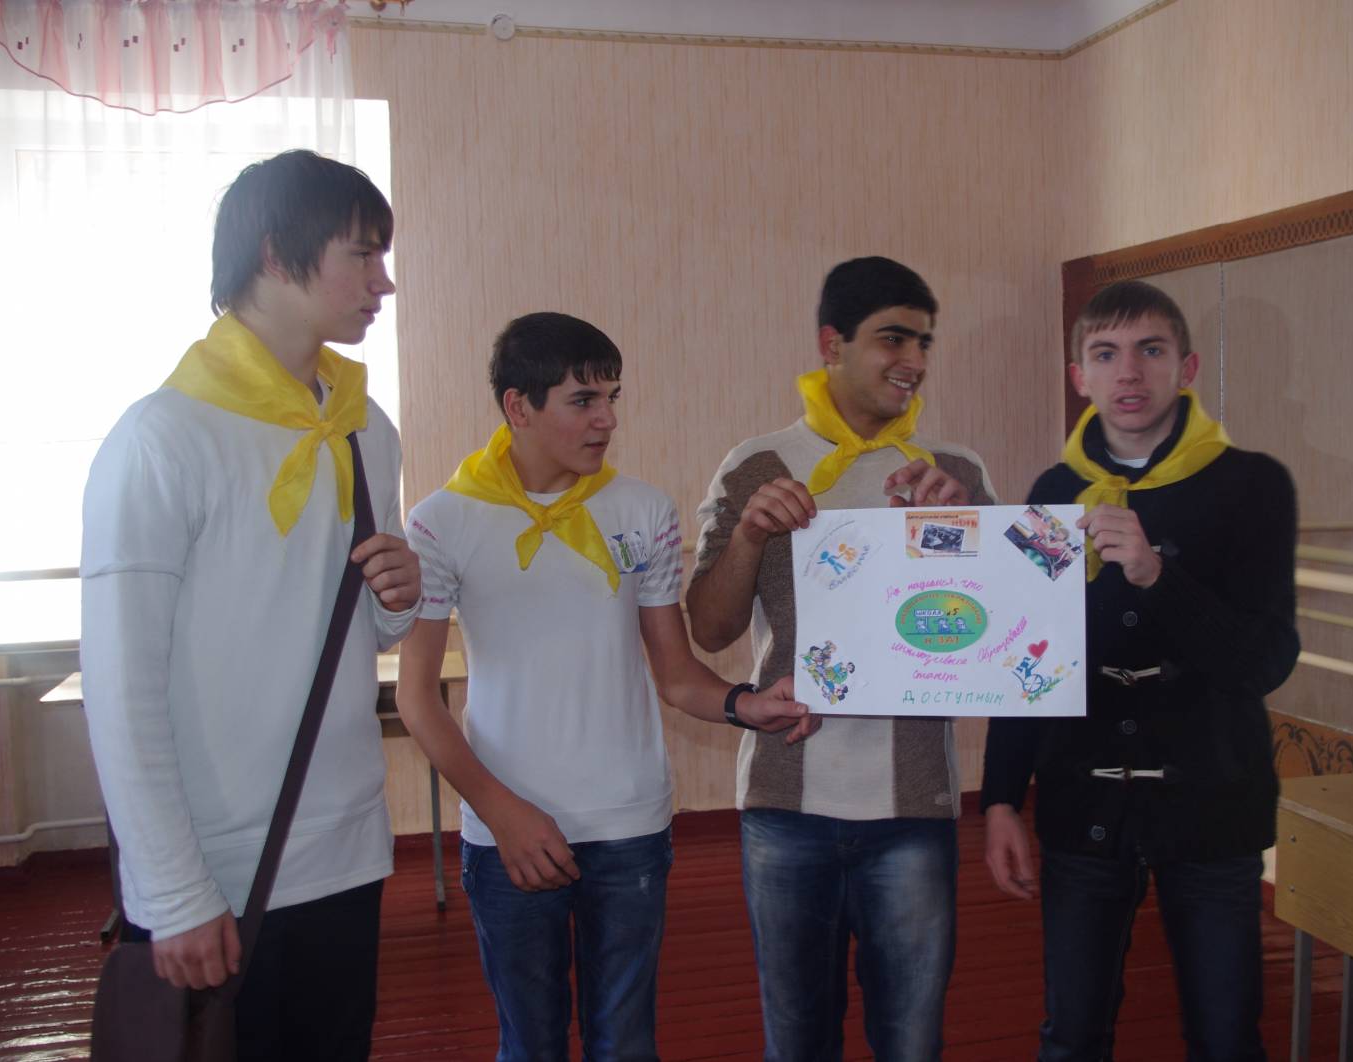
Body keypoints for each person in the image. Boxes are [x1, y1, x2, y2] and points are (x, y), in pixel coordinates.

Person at [397, 311, 815, 1062]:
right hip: (506, 831)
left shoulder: (643, 511)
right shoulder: (441, 522)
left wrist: (744, 704)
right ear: (519, 407)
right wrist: (503, 813)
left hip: (629, 824)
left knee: (625, 1043)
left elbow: (676, 675)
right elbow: (417, 698)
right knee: (531, 1044)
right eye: (584, 400)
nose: (608, 420)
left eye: (612, 398)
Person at [81, 149, 420, 1061]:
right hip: (216, 868)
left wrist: (400, 594)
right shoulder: (162, 438)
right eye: (362, 254)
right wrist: (171, 890)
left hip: (345, 850)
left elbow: (364, 634)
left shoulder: (365, 429)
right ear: (275, 254)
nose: (383, 283)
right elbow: (120, 690)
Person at [981, 279, 1299, 1061]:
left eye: (1150, 350)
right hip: (1083, 803)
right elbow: (1025, 658)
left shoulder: (1253, 485)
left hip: (1213, 805)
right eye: (1106, 354)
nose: (1128, 372)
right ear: (1078, 376)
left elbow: (1264, 661)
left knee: (1226, 1039)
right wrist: (999, 799)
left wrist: (1158, 576)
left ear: (1186, 368)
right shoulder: (1055, 494)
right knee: (1072, 1035)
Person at [687, 257, 997, 1060]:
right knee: (798, 1040)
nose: (914, 360)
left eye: (924, 342)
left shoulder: (954, 473)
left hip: (915, 807)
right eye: (893, 338)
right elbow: (710, 629)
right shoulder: (757, 465)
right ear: (832, 344)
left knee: (911, 1041)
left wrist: (966, 530)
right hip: (786, 804)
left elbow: (997, 638)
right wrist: (750, 534)